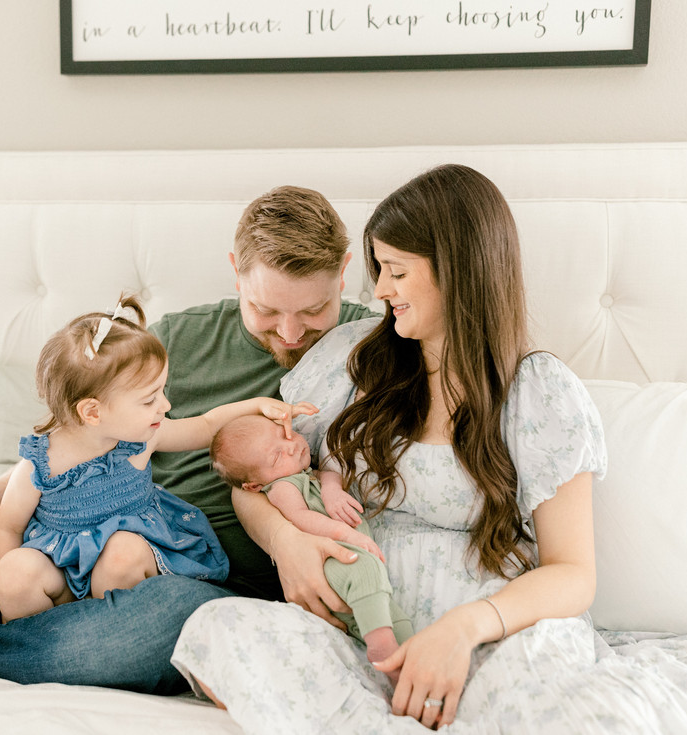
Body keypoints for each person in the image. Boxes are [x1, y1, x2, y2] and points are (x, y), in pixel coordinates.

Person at [0, 185, 375, 692]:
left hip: (199, 581)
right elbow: (71, 453)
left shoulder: (375, 354)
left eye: (314, 309)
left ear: (346, 271)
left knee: (144, 628)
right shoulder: (175, 340)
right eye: (266, 310)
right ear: (235, 271)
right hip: (69, 535)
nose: (292, 332)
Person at [170, 163, 608, 732]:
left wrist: (464, 628)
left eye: (397, 271)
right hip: (355, 629)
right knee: (216, 629)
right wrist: (287, 541)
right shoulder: (350, 359)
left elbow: (574, 572)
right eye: (378, 269)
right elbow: (258, 482)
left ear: (459, 273)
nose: (378, 290)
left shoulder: (540, 394)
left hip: (488, 634)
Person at [0, 295, 315, 622]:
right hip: (61, 569)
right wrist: (7, 582)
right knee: (14, 572)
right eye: (149, 400)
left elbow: (205, 425)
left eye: (162, 391)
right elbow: (8, 527)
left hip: (127, 570)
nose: (165, 406)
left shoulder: (144, 439)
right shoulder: (39, 464)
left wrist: (260, 404)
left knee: (121, 551)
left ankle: (107, 633)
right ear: (93, 412)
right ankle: (39, 635)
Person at [210, 414, 412, 672]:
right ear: (254, 486)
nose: (291, 445)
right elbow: (301, 518)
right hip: (329, 562)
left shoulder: (306, 473)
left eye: (284, 434)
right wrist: (347, 534)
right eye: (276, 456)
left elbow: (329, 475)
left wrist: (331, 491)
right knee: (364, 572)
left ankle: (397, 672)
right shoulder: (282, 488)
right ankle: (381, 649)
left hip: (347, 559)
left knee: (397, 622)